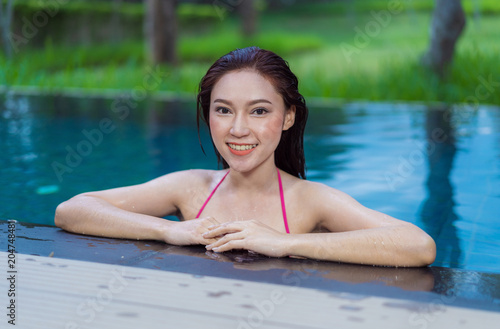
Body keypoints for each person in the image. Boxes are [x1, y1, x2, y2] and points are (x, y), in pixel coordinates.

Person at [55, 46, 436, 267]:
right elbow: (73, 210)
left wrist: (285, 243)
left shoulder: (310, 200)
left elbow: (417, 245)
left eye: (258, 111)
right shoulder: (190, 188)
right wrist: (167, 229)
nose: (238, 129)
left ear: (288, 117)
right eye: (223, 110)